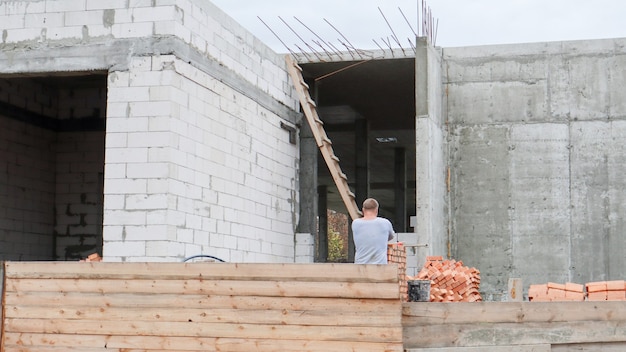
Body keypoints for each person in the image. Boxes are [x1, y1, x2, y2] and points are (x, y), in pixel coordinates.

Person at [352, 198, 395, 264]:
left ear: (363, 210)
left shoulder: (355, 223)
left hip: (360, 267)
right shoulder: (385, 223)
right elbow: (390, 237)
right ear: (376, 210)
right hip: (380, 267)